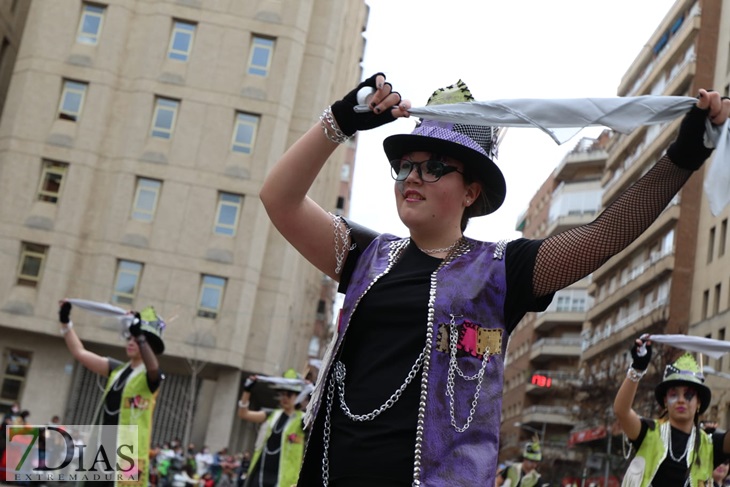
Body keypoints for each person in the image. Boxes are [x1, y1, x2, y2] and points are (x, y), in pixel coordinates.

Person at [258, 70, 730, 486]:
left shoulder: (502, 270)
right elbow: (278, 199)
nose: (412, 177)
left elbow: (604, 234)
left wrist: (685, 155)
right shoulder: (366, 256)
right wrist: (340, 121)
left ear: (471, 192)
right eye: (405, 166)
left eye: (435, 166)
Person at [58, 299, 165, 487]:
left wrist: (140, 334)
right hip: (102, 449)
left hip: (129, 455)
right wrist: (66, 322)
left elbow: (153, 367)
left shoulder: (151, 377)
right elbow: (80, 353)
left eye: (137, 339)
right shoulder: (117, 370)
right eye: (129, 338)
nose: (131, 342)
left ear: (149, 346)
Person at [614, 338, 730, 486]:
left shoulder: (710, 445)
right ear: (665, 401)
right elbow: (621, 411)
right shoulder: (648, 433)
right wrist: (637, 369)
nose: (681, 400)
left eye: (688, 395)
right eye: (674, 394)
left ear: (698, 402)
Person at [237, 375, 306, 487]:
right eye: (282, 394)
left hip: (284, 477)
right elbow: (243, 414)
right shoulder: (272, 415)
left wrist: (313, 390)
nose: (285, 398)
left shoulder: (303, 420)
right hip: (260, 473)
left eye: (289, 394)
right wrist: (247, 390)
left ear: (298, 397)